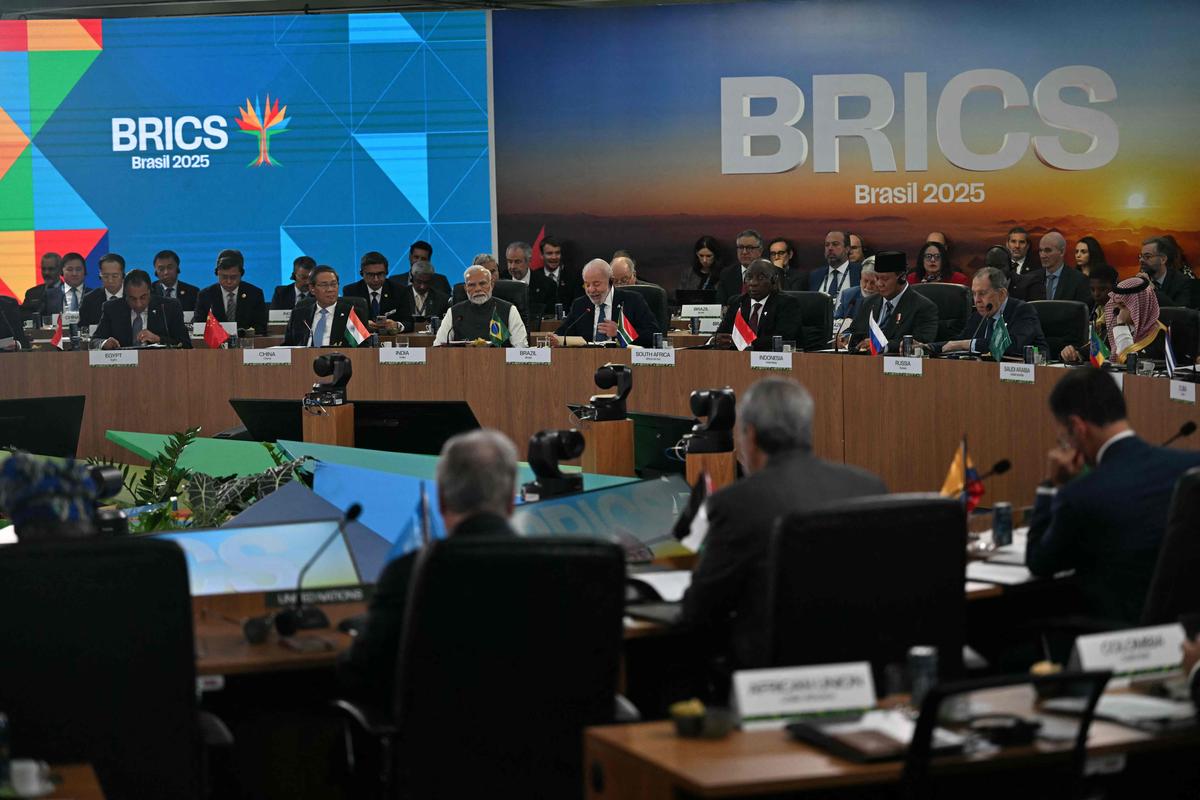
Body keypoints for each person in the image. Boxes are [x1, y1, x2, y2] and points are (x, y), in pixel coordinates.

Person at [680, 378, 886, 669]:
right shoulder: (869, 488)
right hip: (862, 670)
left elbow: (698, 611)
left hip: (770, 678)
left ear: (750, 435)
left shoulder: (736, 503)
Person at [338, 429, 520, 706]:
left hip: (429, 744)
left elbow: (361, 673)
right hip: (537, 744)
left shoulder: (409, 573)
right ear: (510, 501)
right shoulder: (559, 570)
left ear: (443, 501)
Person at [1026, 368, 1200, 624]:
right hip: (1187, 635)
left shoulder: (1079, 495)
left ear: (1077, 427)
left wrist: (1052, 486)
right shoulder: (1192, 468)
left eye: (1064, 437)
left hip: (1115, 641)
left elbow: (1039, 562)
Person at [932, 267, 1047, 358]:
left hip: (1027, 377)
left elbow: (1010, 346)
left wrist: (966, 345)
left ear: (1001, 294)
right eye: (974, 294)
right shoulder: (978, 316)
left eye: (982, 293)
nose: (976, 300)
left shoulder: (1023, 311)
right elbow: (955, 343)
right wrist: (927, 347)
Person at [845, 251, 938, 352]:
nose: (879, 284)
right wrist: (845, 338)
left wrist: (883, 345)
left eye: (884, 279)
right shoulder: (869, 302)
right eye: (876, 278)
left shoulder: (923, 307)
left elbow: (921, 343)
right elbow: (855, 331)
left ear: (902, 277)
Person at [552, 259, 658, 345]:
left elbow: (654, 335)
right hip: (587, 362)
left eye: (596, 284)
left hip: (623, 362)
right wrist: (554, 338)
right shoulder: (580, 305)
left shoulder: (633, 300)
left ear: (610, 281)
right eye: (587, 285)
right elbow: (562, 334)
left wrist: (620, 332)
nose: (591, 290)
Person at [711, 260, 804, 351]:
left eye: (761, 278)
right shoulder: (737, 302)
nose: (753, 283)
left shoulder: (787, 304)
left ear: (774, 280)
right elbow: (722, 333)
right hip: (738, 360)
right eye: (749, 277)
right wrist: (717, 340)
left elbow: (781, 339)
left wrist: (744, 342)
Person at [92, 269, 191, 349]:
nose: (138, 304)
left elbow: (185, 344)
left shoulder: (169, 307)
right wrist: (104, 343)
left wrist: (158, 339)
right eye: (132, 299)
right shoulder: (112, 308)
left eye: (143, 297)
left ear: (150, 291)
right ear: (125, 294)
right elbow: (94, 341)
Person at [434, 266, 527, 347]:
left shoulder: (509, 310)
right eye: (472, 285)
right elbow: (438, 347)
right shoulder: (454, 313)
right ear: (466, 288)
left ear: (492, 285)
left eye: (482, 283)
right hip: (462, 364)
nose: (478, 289)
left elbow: (520, 349)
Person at [192, 249, 269, 335]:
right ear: (217, 273)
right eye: (224, 277)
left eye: (233, 277)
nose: (229, 281)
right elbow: (198, 324)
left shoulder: (255, 294)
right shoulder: (205, 295)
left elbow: (261, 327)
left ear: (241, 274)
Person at [282, 265, 360, 347]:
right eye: (324, 285)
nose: (330, 289)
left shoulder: (350, 313)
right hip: (303, 358)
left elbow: (362, 348)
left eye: (334, 284)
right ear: (312, 288)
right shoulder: (299, 315)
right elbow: (288, 346)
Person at [1012, 232, 1091, 306]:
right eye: (1040, 251)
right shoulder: (1030, 278)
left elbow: (1081, 314)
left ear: (1062, 252)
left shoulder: (1079, 280)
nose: (1042, 256)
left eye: (1048, 250)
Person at [343, 251, 413, 334]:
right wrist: (363, 325)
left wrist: (396, 325)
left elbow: (409, 322)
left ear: (386, 272)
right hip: (362, 342)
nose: (376, 279)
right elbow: (345, 322)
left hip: (391, 341)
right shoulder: (351, 291)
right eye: (371, 275)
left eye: (380, 274)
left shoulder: (399, 290)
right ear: (362, 274)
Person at [1101, 275, 1165, 365]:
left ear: (1141, 307)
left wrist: (1121, 328)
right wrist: (1076, 353)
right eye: (1115, 304)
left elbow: (1130, 363)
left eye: (1123, 305)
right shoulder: (1110, 331)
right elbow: (1092, 352)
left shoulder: (1160, 336)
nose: (1117, 310)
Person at [1061, 265, 1118, 362]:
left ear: (1115, 287)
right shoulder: (1086, 307)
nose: (1096, 294)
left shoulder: (1120, 311)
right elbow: (1076, 339)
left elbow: (1104, 347)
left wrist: (1081, 354)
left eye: (1102, 289)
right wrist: (1070, 352)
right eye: (1092, 289)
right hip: (1089, 362)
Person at [505, 241, 559, 316]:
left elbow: (550, 317)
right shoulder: (501, 281)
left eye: (517, 262)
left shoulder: (547, 284)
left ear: (529, 261)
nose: (512, 266)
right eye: (510, 262)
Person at [717, 229, 764, 306]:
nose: (744, 252)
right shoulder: (727, 274)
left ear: (760, 251)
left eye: (749, 248)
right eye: (741, 247)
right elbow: (720, 303)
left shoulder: (768, 273)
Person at [808, 230, 861, 298]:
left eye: (835, 244)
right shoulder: (815, 275)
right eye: (827, 245)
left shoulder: (860, 272)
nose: (830, 248)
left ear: (847, 249)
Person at [79, 253, 126, 327]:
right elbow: (82, 329)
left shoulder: (133, 297)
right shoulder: (89, 299)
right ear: (100, 275)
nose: (110, 280)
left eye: (115, 276)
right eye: (106, 276)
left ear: (123, 275)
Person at [1140, 236, 1189, 307]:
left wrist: (1153, 290)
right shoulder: (1139, 281)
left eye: (1147, 257)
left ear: (1163, 259)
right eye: (1140, 256)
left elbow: (1181, 312)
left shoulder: (1182, 281)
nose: (1141, 260)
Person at [40, 252, 88, 318]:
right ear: (61, 271)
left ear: (85, 271)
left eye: (78, 269)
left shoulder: (95, 295)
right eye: (70, 269)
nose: (74, 273)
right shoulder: (49, 295)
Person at [539, 236, 583, 306]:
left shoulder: (574, 276)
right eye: (549, 253)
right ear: (541, 255)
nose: (554, 257)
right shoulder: (535, 276)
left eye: (557, 253)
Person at [20, 252, 61, 321]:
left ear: (60, 270)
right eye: (43, 269)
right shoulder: (32, 293)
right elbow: (22, 317)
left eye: (51, 269)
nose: (46, 273)